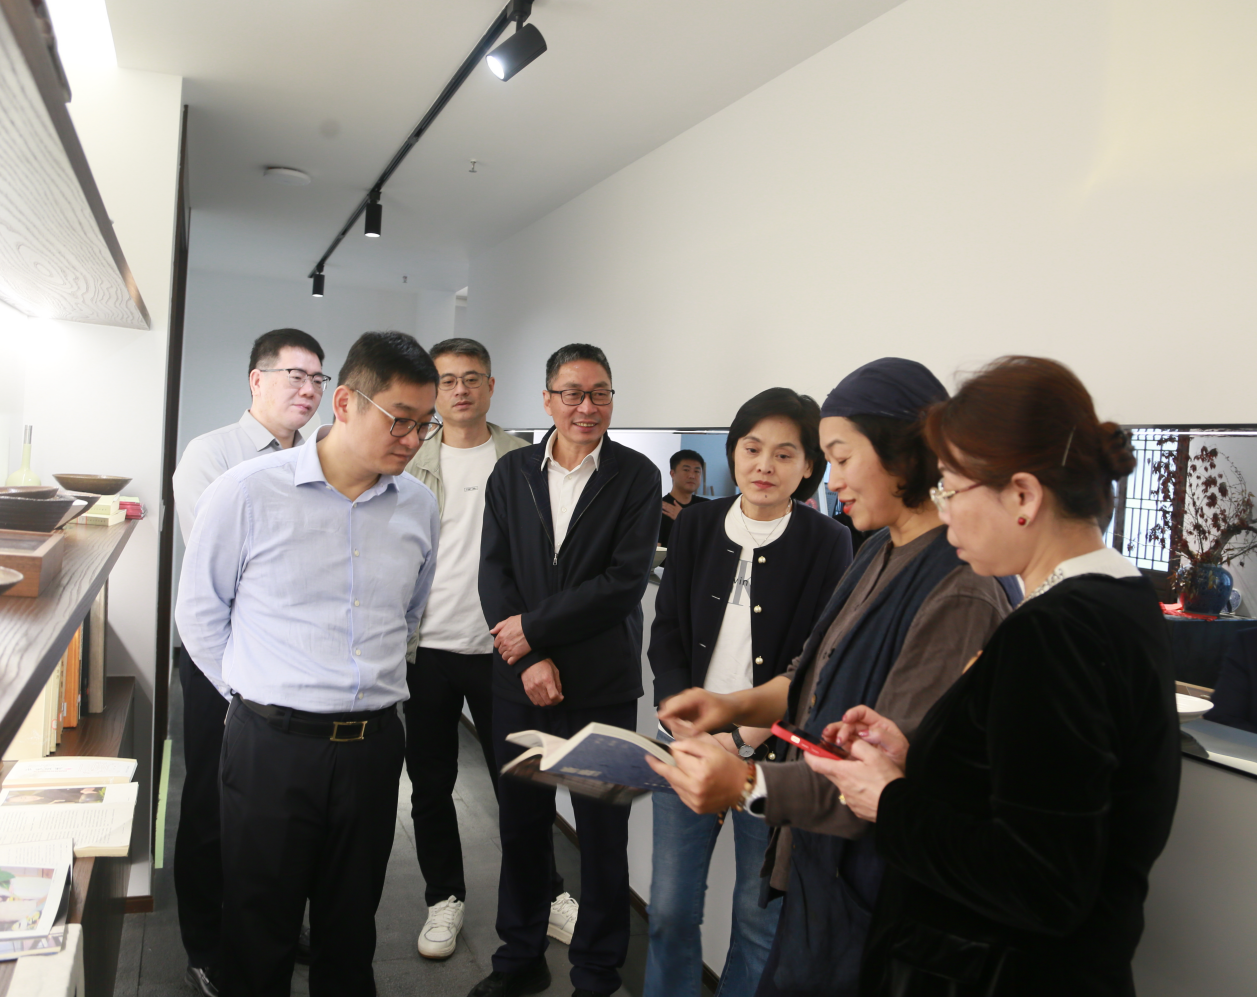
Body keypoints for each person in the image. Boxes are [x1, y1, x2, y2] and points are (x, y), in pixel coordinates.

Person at [810, 356, 1181, 997]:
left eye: (952, 490)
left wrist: (890, 802)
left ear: (1023, 495)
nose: (944, 511)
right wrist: (919, 759)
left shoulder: (1056, 633)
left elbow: (1041, 879)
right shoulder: (1119, 598)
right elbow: (1036, 790)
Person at [648, 358, 1015, 997]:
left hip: (872, 883)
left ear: (903, 453)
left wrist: (745, 780)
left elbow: (881, 779)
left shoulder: (958, 587)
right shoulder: (878, 549)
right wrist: (726, 706)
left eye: (840, 458)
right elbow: (809, 677)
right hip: (822, 860)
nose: (831, 479)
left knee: (760, 936)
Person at [176, 332, 442, 997]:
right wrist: (252, 698)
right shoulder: (246, 491)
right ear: (346, 403)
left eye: (424, 424)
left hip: (373, 748)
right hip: (272, 747)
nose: (413, 439)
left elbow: (408, 613)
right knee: (257, 934)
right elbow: (200, 614)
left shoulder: (418, 505)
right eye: (400, 420)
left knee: (350, 934)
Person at [645, 389, 853, 997]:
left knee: (760, 922)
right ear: (734, 452)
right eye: (752, 448)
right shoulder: (696, 524)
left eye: (784, 454)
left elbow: (816, 657)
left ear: (809, 466)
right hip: (685, 745)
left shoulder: (828, 540)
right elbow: (668, 631)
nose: (765, 465)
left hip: (774, 758)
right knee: (668, 911)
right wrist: (680, 718)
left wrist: (743, 737)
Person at [469, 344, 660, 997]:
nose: (587, 406)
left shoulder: (636, 476)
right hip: (518, 684)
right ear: (547, 399)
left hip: (601, 688)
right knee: (522, 825)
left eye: (600, 393)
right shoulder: (512, 471)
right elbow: (493, 572)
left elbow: (621, 584)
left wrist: (533, 631)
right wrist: (526, 654)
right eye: (572, 393)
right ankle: (519, 957)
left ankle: (597, 975)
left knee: (602, 836)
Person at [170, 327, 326, 997]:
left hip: (293, 668)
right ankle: (206, 945)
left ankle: (271, 927)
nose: (308, 389)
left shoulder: (320, 456)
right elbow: (228, 574)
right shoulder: (211, 455)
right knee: (213, 804)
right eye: (295, 375)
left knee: (282, 813)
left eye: (317, 378)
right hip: (221, 661)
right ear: (256, 379)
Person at [401, 337, 528, 960]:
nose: (460, 390)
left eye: (471, 378)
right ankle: (444, 897)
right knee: (431, 784)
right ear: (434, 389)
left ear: (490, 386)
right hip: (427, 649)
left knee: (519, 784)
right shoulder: (409, 458)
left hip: (503, 648)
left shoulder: (524, 458)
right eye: (447, 380)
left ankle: (542, 892)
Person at [659, 449, 709, 548]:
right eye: (686, 470)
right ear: (672, 473)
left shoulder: (707, 507)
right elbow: (656, 552)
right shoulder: (660, 508)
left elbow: (713, 542)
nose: (692, 476)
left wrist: (685, 519)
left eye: (697, 471)